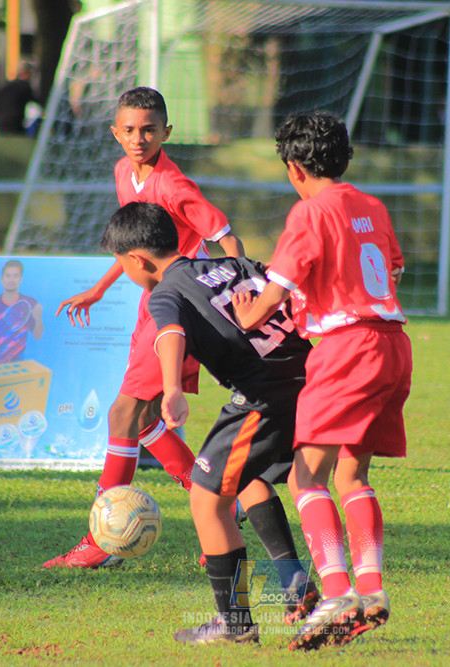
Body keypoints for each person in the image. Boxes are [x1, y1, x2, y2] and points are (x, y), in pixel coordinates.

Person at [233, 110, 412, 650]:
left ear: (294, 168)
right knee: (352, 475)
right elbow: (392, 269)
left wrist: (247, 314)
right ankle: (371, 590)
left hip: (345, 350)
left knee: (305, 476)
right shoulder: (372, 206)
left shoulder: (309, 212)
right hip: (391, 344)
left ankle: (335, 594)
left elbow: (275, 291)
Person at [101, 201, 319, 644]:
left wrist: (172, 388)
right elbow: (288, 291)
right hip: (311, 380)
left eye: (122, 264)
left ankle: (235, 625)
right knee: (244, 477)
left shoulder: (165, 293)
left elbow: (170, 334)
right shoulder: (234, 263)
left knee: (206, 497)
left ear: (137, 260)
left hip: (265, 396)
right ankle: (293, 582)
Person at [46, 87, 246, 569]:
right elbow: (134, 245)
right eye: (130, 130)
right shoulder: (124, 172)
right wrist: (100, 288)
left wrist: (239, 291)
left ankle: (100, 541)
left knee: (123, 415)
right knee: (141, 419)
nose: (139, 139)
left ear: (166, 132)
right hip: (153, 300)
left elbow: (227, 237)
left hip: (178, 304)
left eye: (149, 130)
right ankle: (222, 504)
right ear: (116, 133)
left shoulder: (174, 187)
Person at [0, 62, 37, 136]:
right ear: (27, 73)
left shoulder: (7, 85)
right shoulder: (24, 86)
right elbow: (35, 102)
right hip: (14, 122)